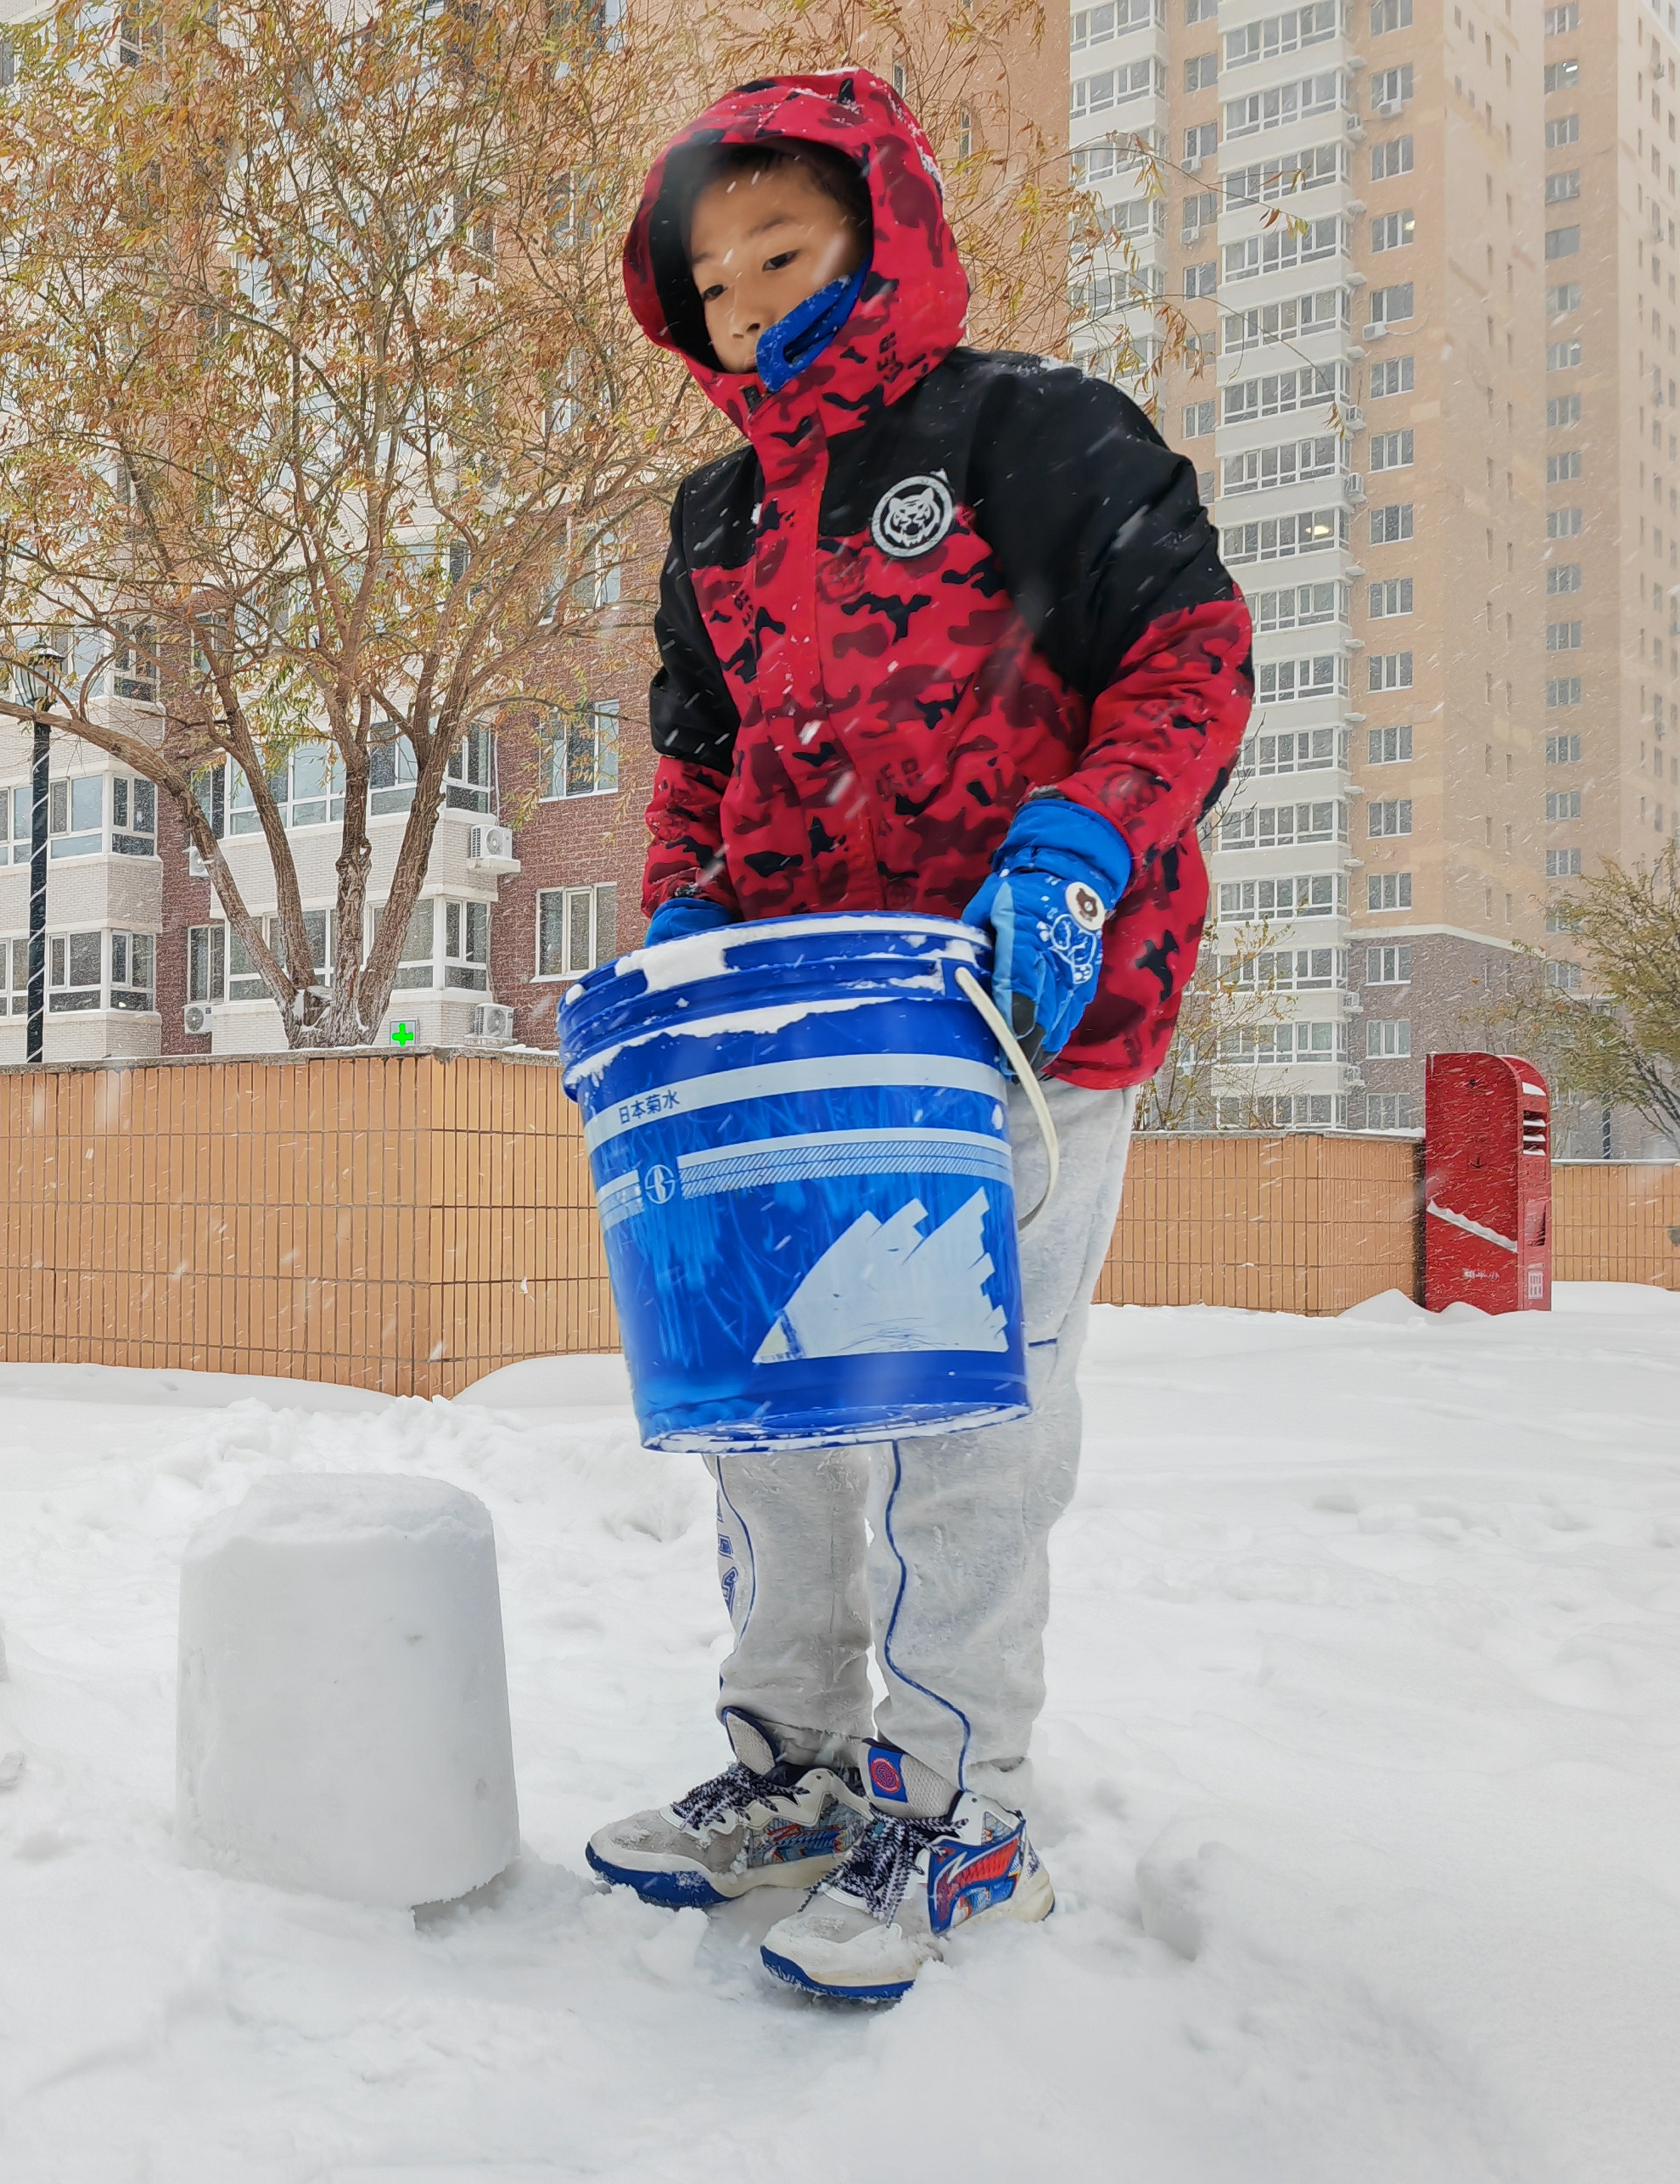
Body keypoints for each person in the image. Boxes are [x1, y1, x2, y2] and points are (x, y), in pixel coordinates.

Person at [580, 70, 1254, 2003]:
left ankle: (961, 1806)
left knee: (967, 1418)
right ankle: (790, 1761)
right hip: (796, 1041)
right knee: (770, 1414)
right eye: (707, 284)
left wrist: (1070, 851)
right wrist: (689, 915)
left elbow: (1187, 661)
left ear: (883, 234)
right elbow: (689, 763)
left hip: (1018, 1025)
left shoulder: (1024, 432)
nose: (744, 306)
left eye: (780, 252)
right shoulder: (712, 519)